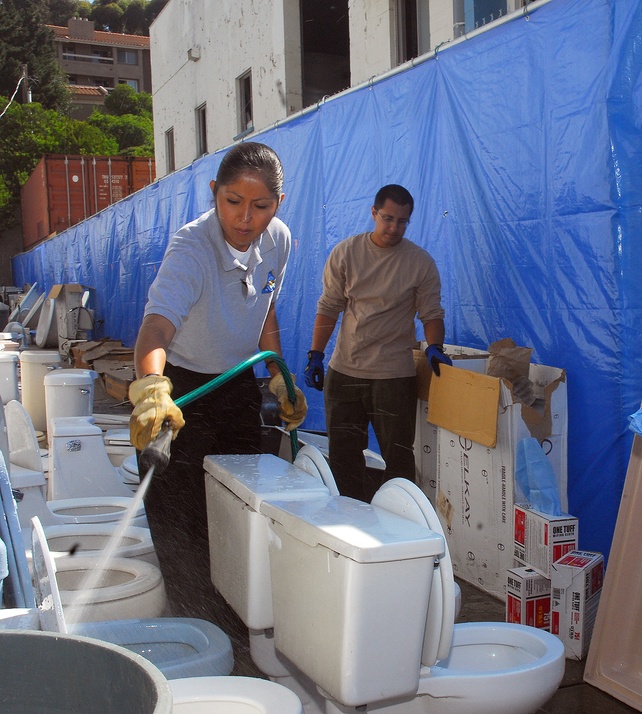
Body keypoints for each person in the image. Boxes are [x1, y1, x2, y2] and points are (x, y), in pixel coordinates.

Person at [129, 141, 307, 618]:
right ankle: (194, 620)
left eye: (261, 206)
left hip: (234, 386)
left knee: (235, 507)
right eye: (233, 202)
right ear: (214, 193)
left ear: (279, 204)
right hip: (181, 389)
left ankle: (234, 615)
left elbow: (266, 308)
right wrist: (152, 390)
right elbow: (156, 328)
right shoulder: (192, 247)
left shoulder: (279, 240)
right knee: (178, 515)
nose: (245, 218)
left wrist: (276, 373)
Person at [304, 184, 451, 502]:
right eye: (387, 218)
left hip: (394, 378)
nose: (394, 227)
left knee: (398, 462)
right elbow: (329, 307)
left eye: (402, 221)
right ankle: (350, 529)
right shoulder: (346, 253)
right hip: (345, 372)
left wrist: (435, 347)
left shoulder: (420, 263)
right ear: (373, 213)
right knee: (343, 459)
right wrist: (315, 354)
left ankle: (400, 533)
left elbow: (431, 313)